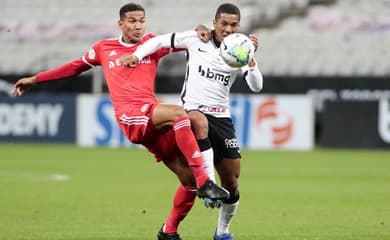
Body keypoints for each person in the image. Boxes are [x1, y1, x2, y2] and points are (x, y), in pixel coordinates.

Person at [13, 3, 230, 240]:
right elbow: (74, 67)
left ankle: (169, 231)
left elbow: (190, 41)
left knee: (188, 179)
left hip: (153, 119)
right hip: (131, 117)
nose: (138, 26)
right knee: (180, 115)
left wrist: (203, 29)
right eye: (132, 21)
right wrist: (36, 79)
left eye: (141, 21)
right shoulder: (105, 48)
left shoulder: (152, 45)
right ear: (121, 24)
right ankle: (205, 181)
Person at [119, 3, 263, 240]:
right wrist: (136, 55)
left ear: (239, 26)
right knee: (197, 121)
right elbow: (160, 41)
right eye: (224, 23)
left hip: (222, 118)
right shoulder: (197, 39)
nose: (228, 29)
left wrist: (251, 59)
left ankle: (222, 233)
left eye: (233, 25)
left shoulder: (241, 47)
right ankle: (207, 184)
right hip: (193, 112)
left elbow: (256, 86)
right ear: (214, 22)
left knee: (233, 183)